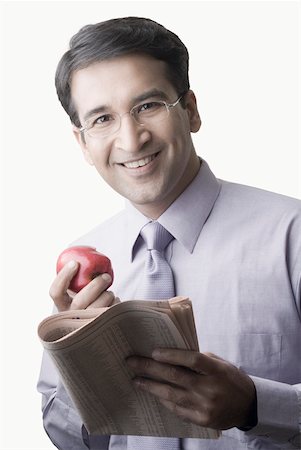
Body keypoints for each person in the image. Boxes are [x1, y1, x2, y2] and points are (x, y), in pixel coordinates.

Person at [37, 16, 301, 450]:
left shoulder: (291, 237)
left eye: (148, 106)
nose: (131, 138)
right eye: (102, 118)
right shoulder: (80, 270)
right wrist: (76, 355)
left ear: (192, 111)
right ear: (82, 143)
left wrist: (256, 406)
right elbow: (71, 441)